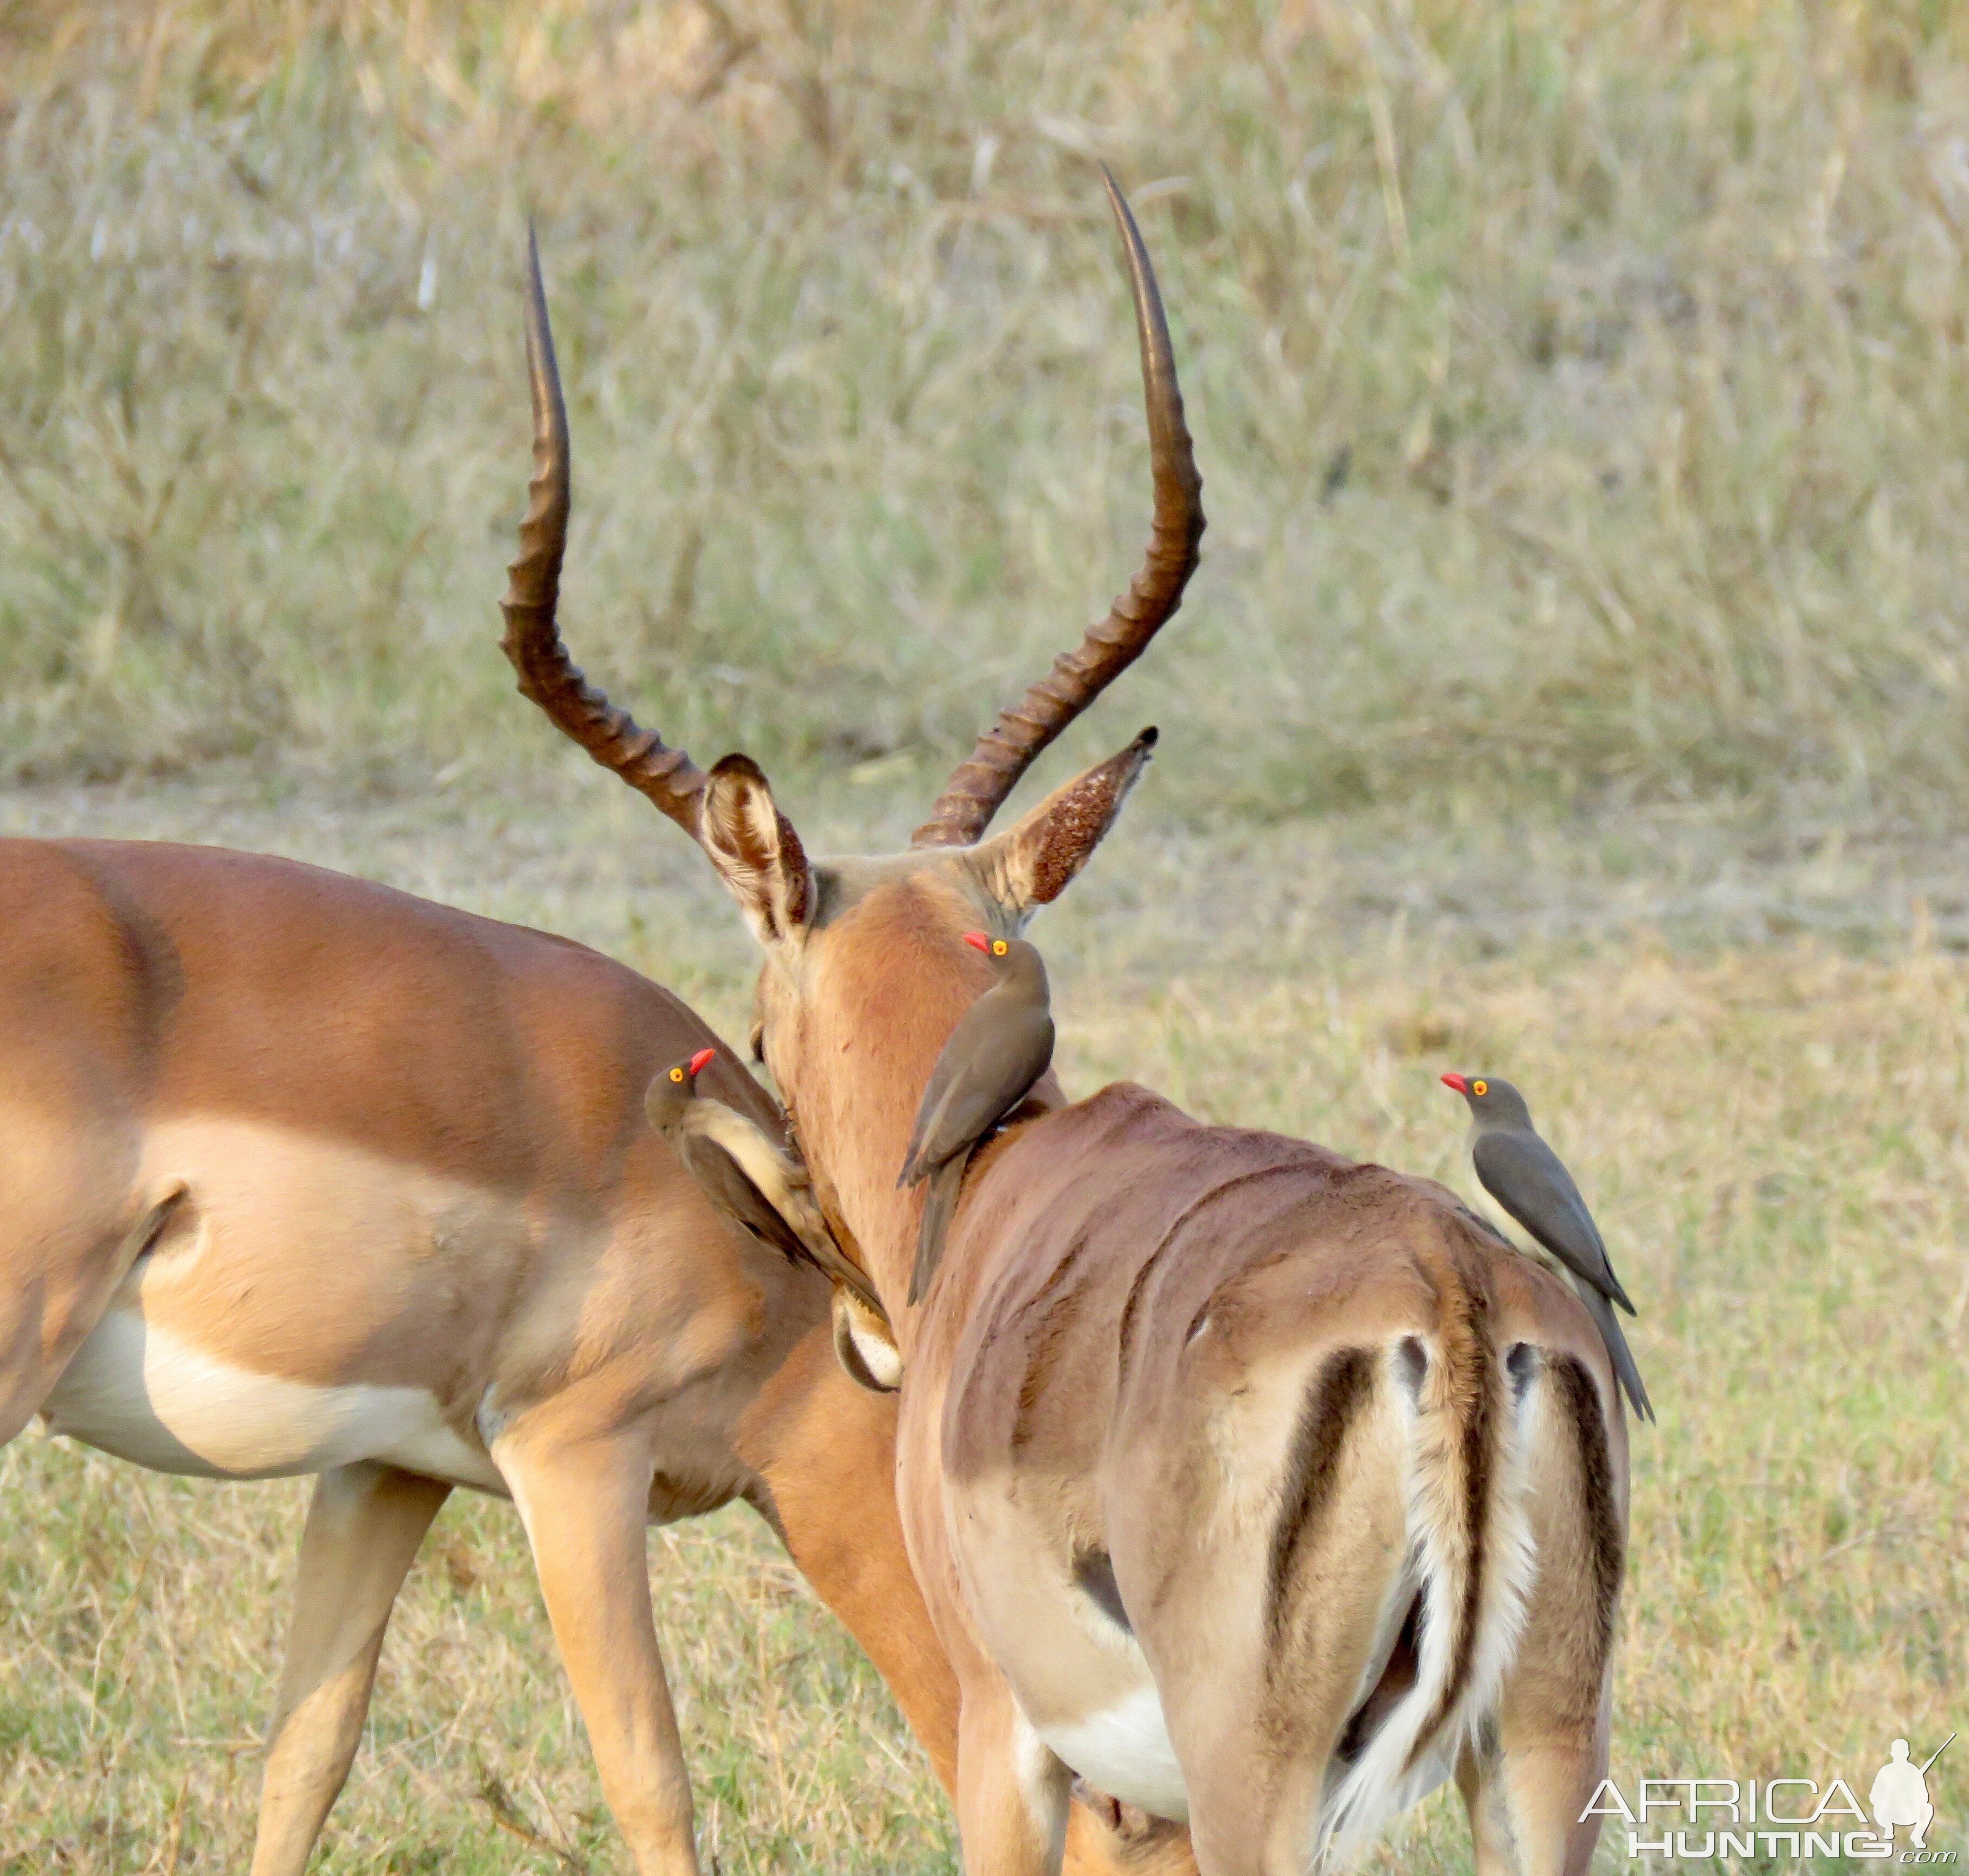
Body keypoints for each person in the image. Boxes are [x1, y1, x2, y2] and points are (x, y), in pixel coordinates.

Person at [1870, 1739, 1933, 1850]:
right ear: (1892, 1754)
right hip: (1887, 1814)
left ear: (1908, 1754)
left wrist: (1911, 1794)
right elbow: (1874, 1796)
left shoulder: (1914, 1771)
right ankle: (1888, 1829)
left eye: (1902, 1753)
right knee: (1885, 1801)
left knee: (1928, 1809)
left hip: (1908, 1814)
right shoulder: (1885, 1771)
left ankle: (1917, 1836)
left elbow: (1924, 1797)